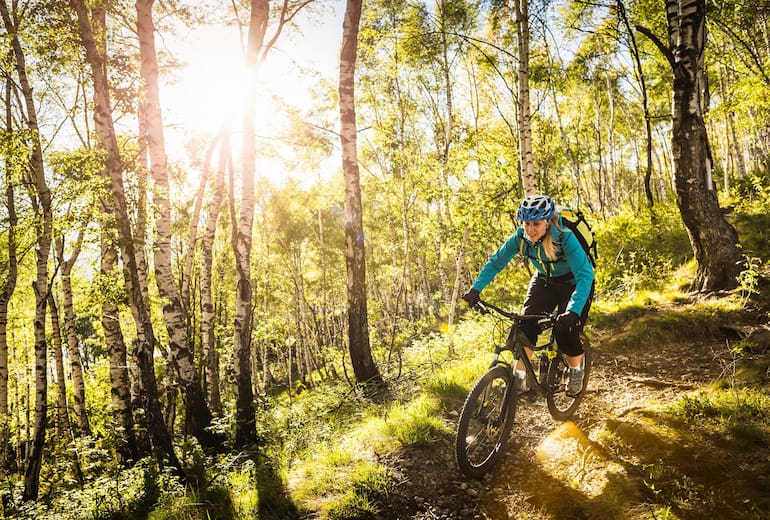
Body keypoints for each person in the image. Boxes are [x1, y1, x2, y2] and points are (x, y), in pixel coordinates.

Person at [462, 194, 595, 397]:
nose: (530, 229)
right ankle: (519, 379)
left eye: (536, 224)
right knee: (525, 325)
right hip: (544, 281)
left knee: (564, 330)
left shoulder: (564, 237)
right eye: (526, 223)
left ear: (548, 222)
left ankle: (576, 370)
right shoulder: (521, 238)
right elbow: (496, 262)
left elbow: (585, 276)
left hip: (574, 283)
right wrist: (475, 290)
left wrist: (573, 311)